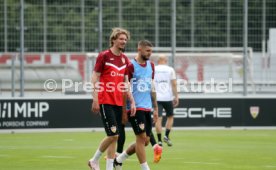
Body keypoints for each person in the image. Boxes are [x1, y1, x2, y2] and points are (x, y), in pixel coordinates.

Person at [88, 27, 136, 170]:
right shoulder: (104, 56)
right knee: (114, 135)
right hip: (105, 100)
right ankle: (94, 160)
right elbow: (95, 76)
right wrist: (95, 98)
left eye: (125, 39)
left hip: (118, 101)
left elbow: (126, 82)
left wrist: (131, 101)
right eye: (121, 39)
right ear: (113, 40)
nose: (124, 41)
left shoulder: (124, 59)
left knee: (114, 137)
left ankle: (109, 168)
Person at [114, 40, 162, 170]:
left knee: (145, 141)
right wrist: (124, 110)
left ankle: (119, 159)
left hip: (147, 107)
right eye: (147, 51)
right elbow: (125, 88)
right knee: (140, 138)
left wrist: (156, 108)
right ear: (139, 49)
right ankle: (145, 168)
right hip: (135, 107)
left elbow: (152, 87)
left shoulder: (151, 66)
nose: (150, 54)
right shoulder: (130, 66)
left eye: (151, 51)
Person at [154, 54, 179, 147]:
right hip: (167, 97)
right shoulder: (170, 69)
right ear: (166, 60)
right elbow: (174, 84)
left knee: (158, 119)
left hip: (157, 97)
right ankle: (166, 136)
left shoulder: (154, 69)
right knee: (170, 116)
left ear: (158, 60)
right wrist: (176, 96)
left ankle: (159, 140)